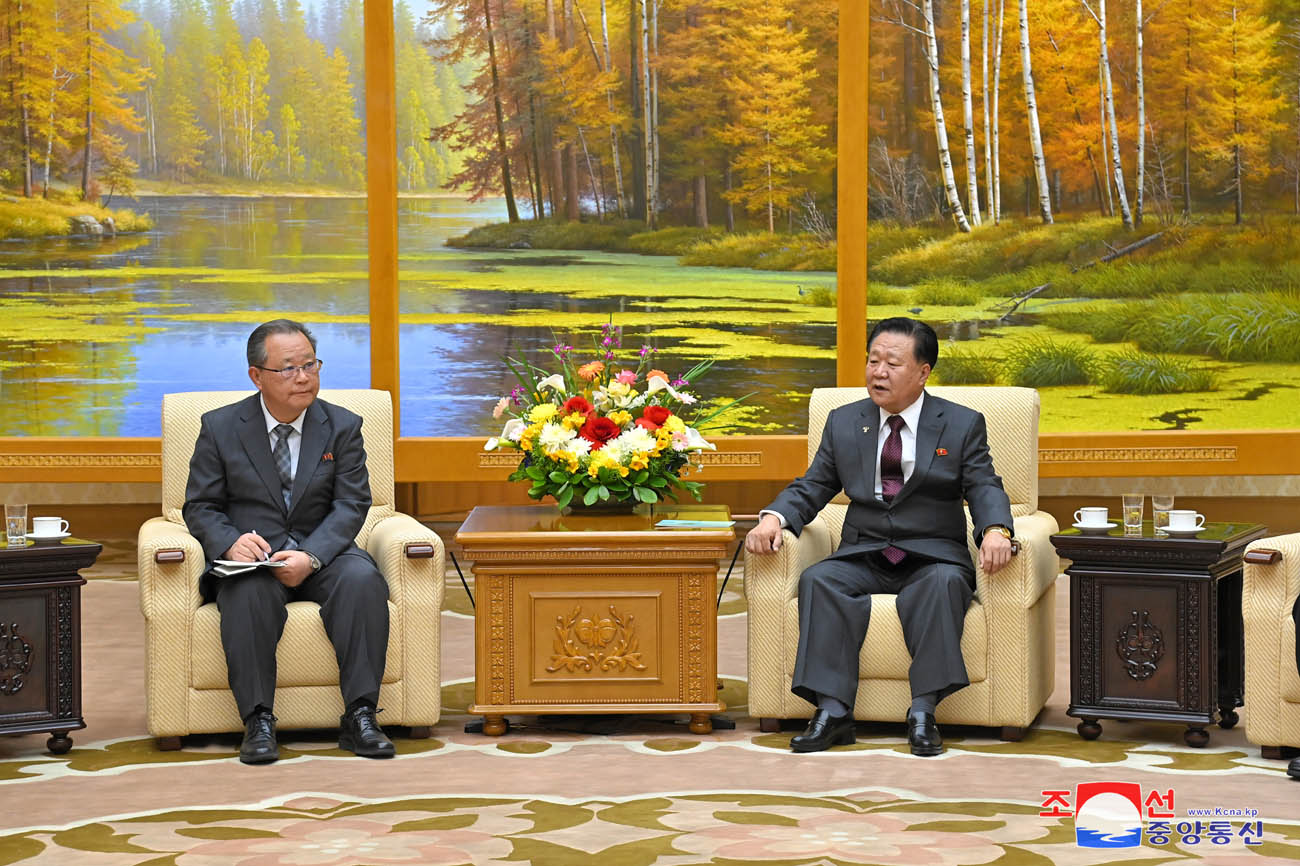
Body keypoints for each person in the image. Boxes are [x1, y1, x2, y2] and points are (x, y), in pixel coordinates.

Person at [745, 317, 1014, 756]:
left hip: (933, 554)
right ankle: (832, 712)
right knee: (819, 580)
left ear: (923, 372)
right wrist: (774, 518)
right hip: (865, 551)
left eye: (892, 363)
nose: (878, 373)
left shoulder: (961, 424)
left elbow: (985, 485)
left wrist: (997, 530)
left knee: (943, 585)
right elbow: (814, 485)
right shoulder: (845, 421)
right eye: (873, 361)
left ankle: (923, 711)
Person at [183, 319, 394, 764]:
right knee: (247, 593)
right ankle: (258, 719)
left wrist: (312, 556)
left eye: (310, 365)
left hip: (324, 551)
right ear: (257, 376)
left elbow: (352, 504)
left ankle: (360, 716)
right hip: (255, 557)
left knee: (362, 581)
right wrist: (229, 543)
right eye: (289, 368)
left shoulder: (342, 426)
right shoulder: (220, 427)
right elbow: (200, 506)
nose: (303, 377)